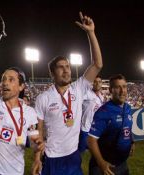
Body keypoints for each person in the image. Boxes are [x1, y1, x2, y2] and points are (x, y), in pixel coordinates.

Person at [35, 12, 103, 175]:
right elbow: (39, 131)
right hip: (52, 158)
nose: (66, 70)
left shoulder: (78, 88)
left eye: (68, 66)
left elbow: (97, 64)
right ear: (52, 73)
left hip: (73, 156)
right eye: (61, 67)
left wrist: (91, 33)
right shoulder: (43, 98)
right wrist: (37, 157)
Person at [88, 74, 134, 175]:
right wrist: (101, 163)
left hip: (122, 163)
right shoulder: (104, 112)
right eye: (118, 87)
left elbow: (128, 127)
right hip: (105, 166)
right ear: (110, 90)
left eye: (124, 86)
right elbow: (91, 140)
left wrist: (132, 142)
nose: (122, 91)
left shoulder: (127, 108)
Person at [78, 76, 105, 152]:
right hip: (85, 127)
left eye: (99, 82)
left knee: (94, 148)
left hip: (95, 127)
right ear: (92, 83)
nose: (97, 83)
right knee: (81, 151)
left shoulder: (101, 97)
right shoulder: (87, 94)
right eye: (95, 81)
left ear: (101, 84)